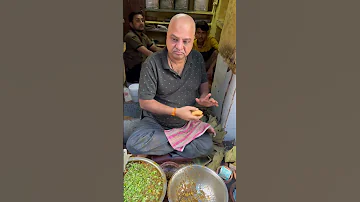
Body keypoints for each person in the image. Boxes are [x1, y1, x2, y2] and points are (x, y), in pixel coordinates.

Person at [125, 14, 219, 159]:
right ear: (167, 36)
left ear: (192, 39)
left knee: (206, 146)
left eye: (186, 41)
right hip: (156, 123)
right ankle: (178, 146)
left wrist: (203, 99)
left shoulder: (197, 59)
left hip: (186, 123)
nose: (179, 47)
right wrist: (176, 112)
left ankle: (163, 149)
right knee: (134, 143)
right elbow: (145, 102)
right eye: (174, 39)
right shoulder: (152, 63)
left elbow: (204, 85)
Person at [123, 11, 162, 85]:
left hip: (142, 71)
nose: (141, 23)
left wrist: (169, 51)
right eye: (137, 20)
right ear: (131, 24)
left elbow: (155, 48)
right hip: (134, 74)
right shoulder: (130, 36)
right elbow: (148, 52)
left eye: (142, 20)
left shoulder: (143, 36)